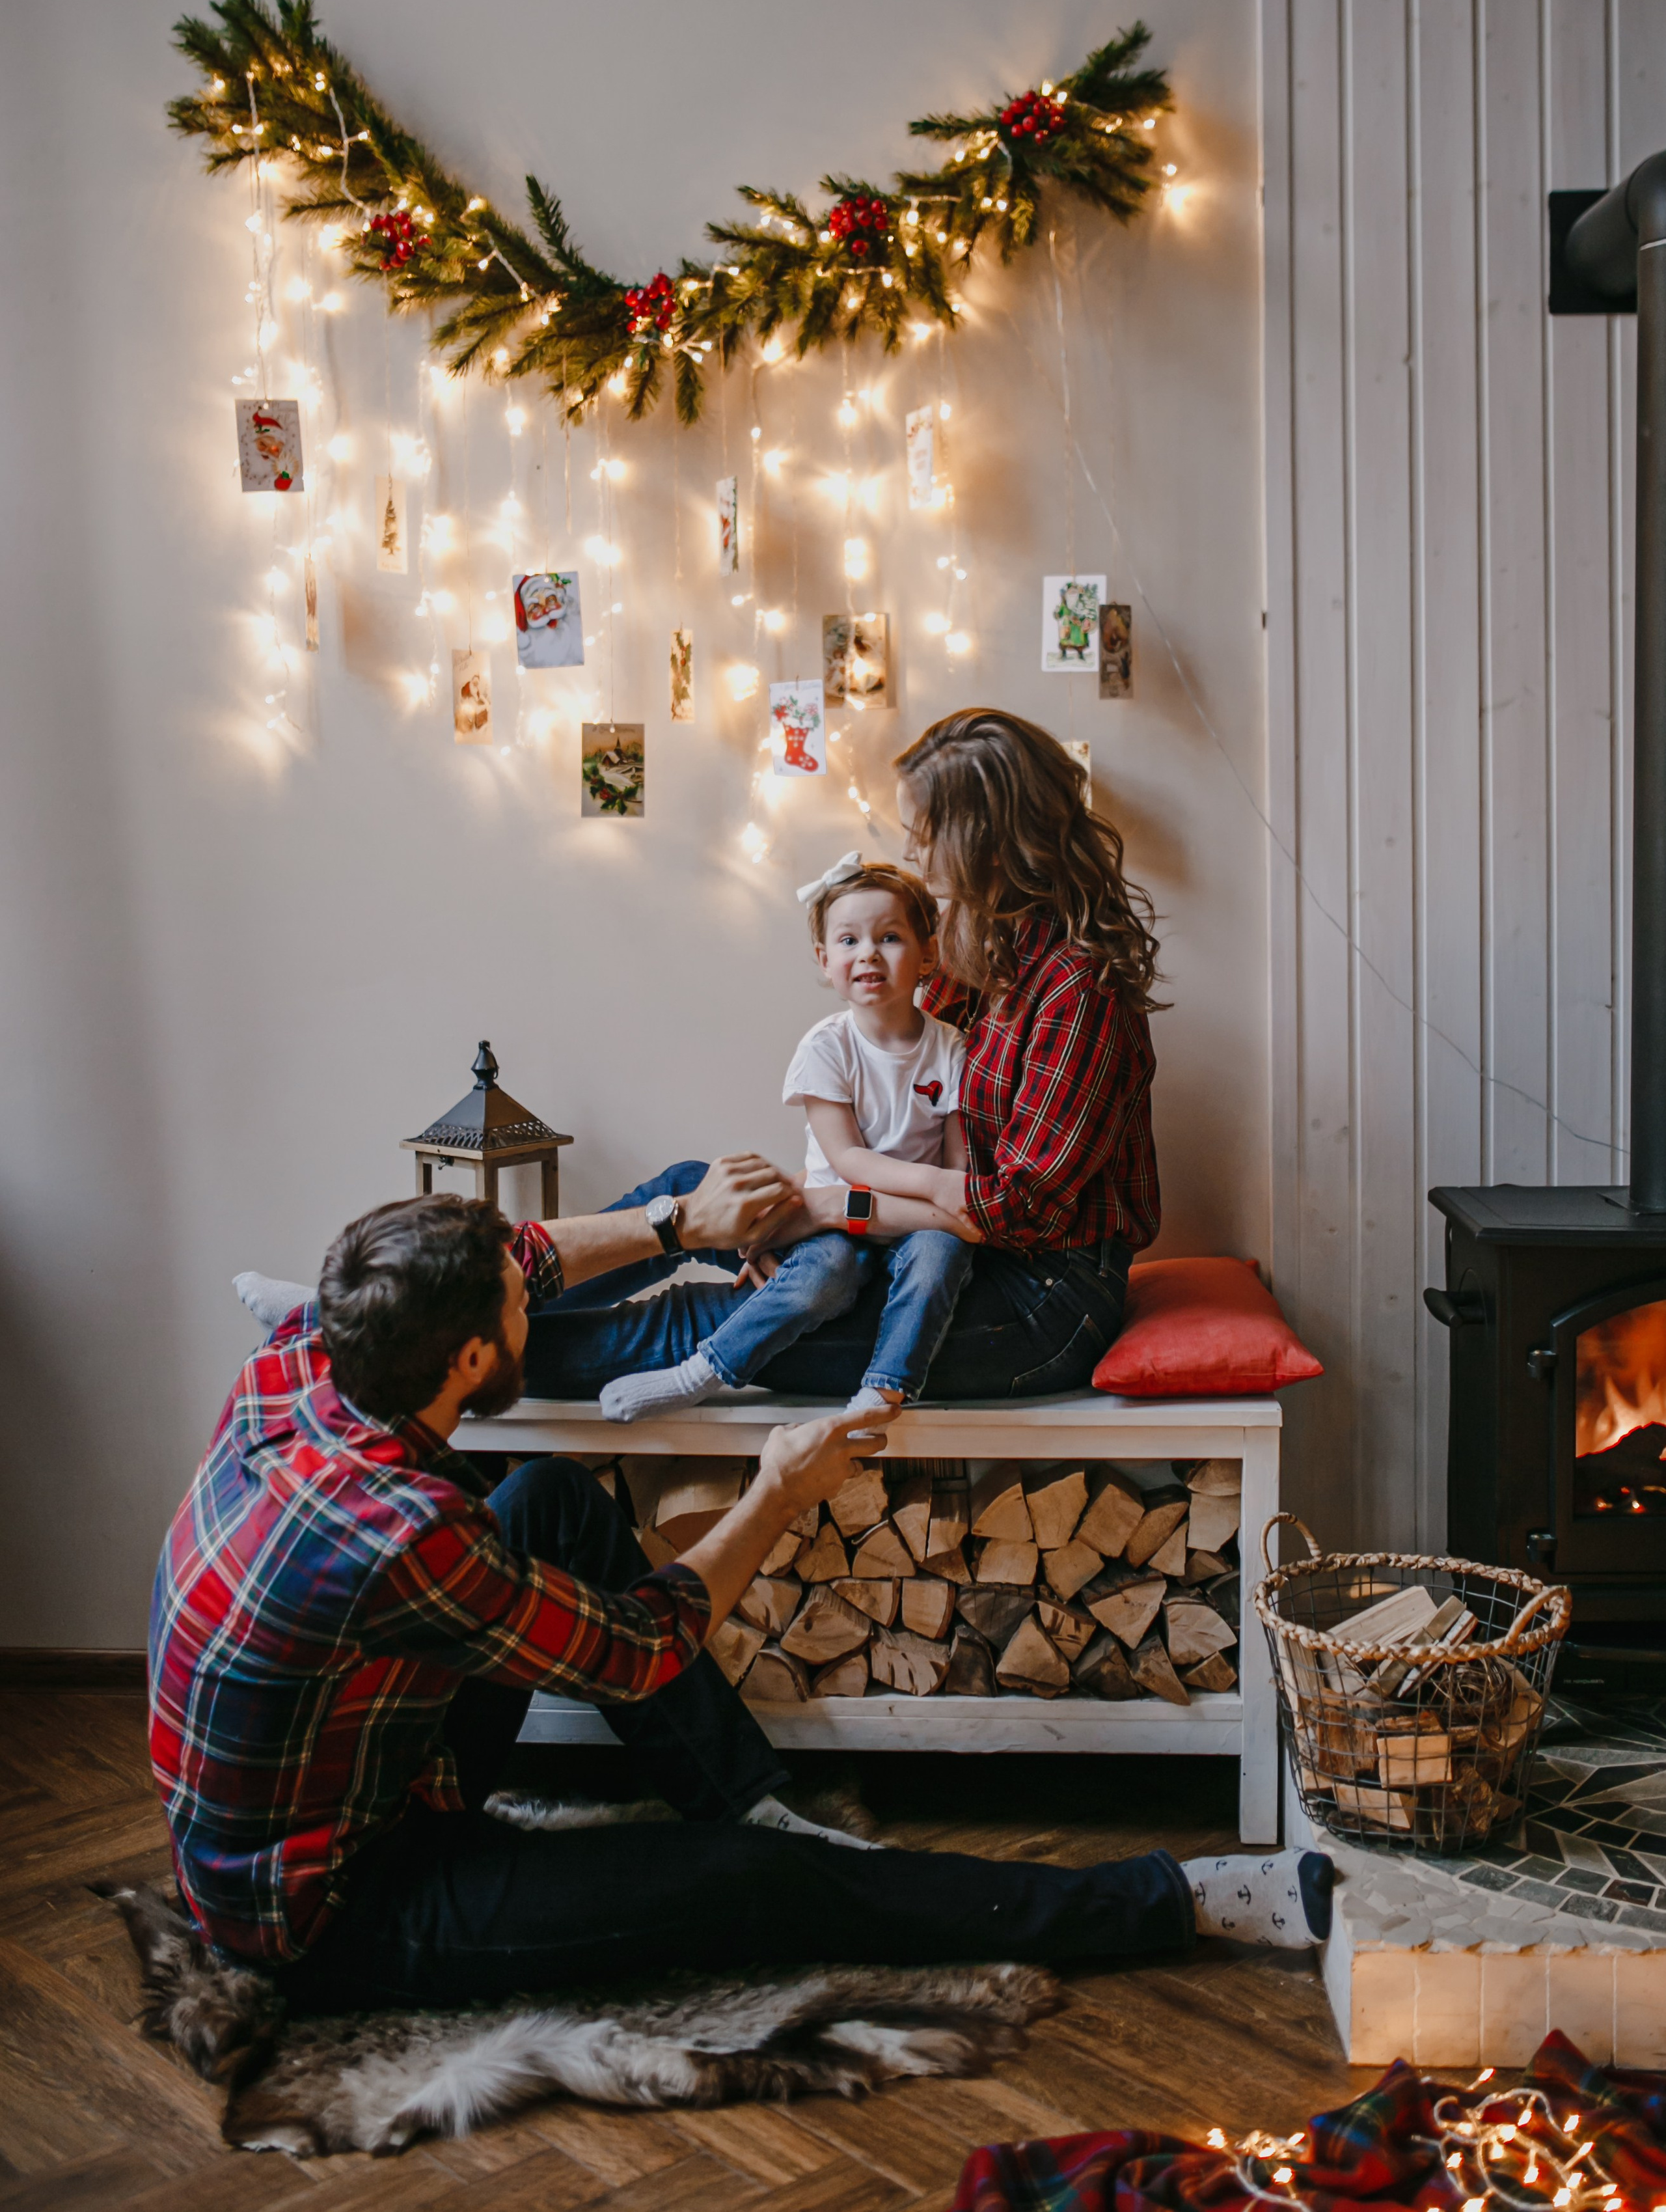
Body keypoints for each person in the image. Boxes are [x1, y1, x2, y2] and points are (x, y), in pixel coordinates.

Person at [152, 1188, 1332, 2012]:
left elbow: (525, 1262)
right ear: (467, 1361)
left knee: (553, 1496)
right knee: (753, 1893)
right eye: (516, 1316)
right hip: (338, 1906)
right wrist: (773, 1491)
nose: (537, 1311)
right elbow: (642, 1650)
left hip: (344, 1784)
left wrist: (673, 1223)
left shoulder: (302, 1358)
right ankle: (1166, 1901)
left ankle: (753, 1808)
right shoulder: (404, 1535)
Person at [520, 708, 1160, 1405]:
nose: (912, 849)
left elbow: (1011, 1212)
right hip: (919, 1227)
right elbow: (878, 1126)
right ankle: (488, 1301)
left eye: (926, 828)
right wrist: (795, 1212)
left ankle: (464, 1360)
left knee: (699, 1319)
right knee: (699, 1190)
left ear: (990, 843)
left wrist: (828, 1208)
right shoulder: (971, 949)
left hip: (1033, 1297)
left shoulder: (1078, 990)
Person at [597, 856, 976, 1425]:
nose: (868, 953)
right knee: (823, 1277)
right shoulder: (827, 1048)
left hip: (909, 1219)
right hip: (835, 1217)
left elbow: (958, 1163)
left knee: (942, 1256)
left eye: (890, 937)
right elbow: (847, 1158)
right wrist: (941, 1189)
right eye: (849, 940)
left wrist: (950, 1200)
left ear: (927, 954)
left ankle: (885, 1393)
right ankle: (703, 1371)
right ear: (826, 962)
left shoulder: (953, 1048)